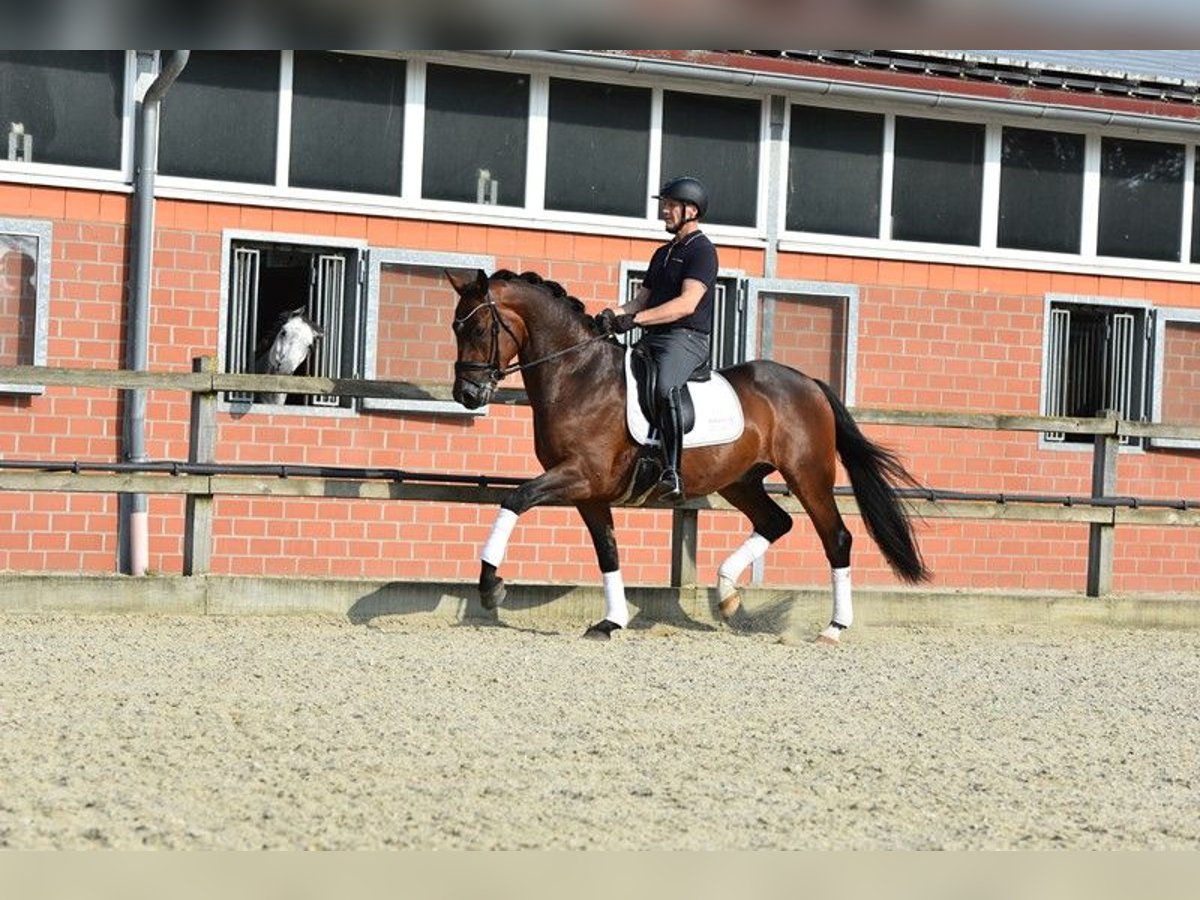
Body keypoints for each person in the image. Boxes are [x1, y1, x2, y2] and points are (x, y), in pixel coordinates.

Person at [597, 176, 719, 502]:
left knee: (666, 387)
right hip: (654, 337)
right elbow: (642, 300)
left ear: (690, 210)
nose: (664, 211)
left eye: (669, 205)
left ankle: (672, 471)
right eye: (664, 205)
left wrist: (635, 320)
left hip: (686, 339)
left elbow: (687, 303)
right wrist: (612, 313)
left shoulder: (703, 251)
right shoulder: (662, 253)